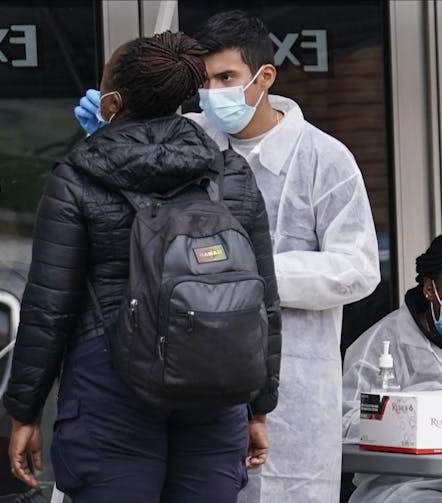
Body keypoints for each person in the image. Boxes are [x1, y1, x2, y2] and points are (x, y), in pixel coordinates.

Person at [73, 11, 381, 503]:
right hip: (193, 380)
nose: (212, 92)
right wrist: (108, 133)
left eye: (226, 78)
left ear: (264, 78)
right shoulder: (187, 139)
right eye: (205, 80)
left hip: (294, 386)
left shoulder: (324, 158)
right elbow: (128, 213)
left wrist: (250, 273)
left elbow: (359, 268)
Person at [4, 31, 281, 503]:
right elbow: (263, 300)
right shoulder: (229, 173)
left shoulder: (77, 177)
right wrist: (258, 408)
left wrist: (24, 412)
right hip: (214, 382)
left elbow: (49, 307)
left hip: (111, 383)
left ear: (111, 100)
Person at [343, 235, 442, 502]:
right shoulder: (380, 345)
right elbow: (346, 423)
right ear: (430, 288)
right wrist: (413, 423)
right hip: (403, 485)